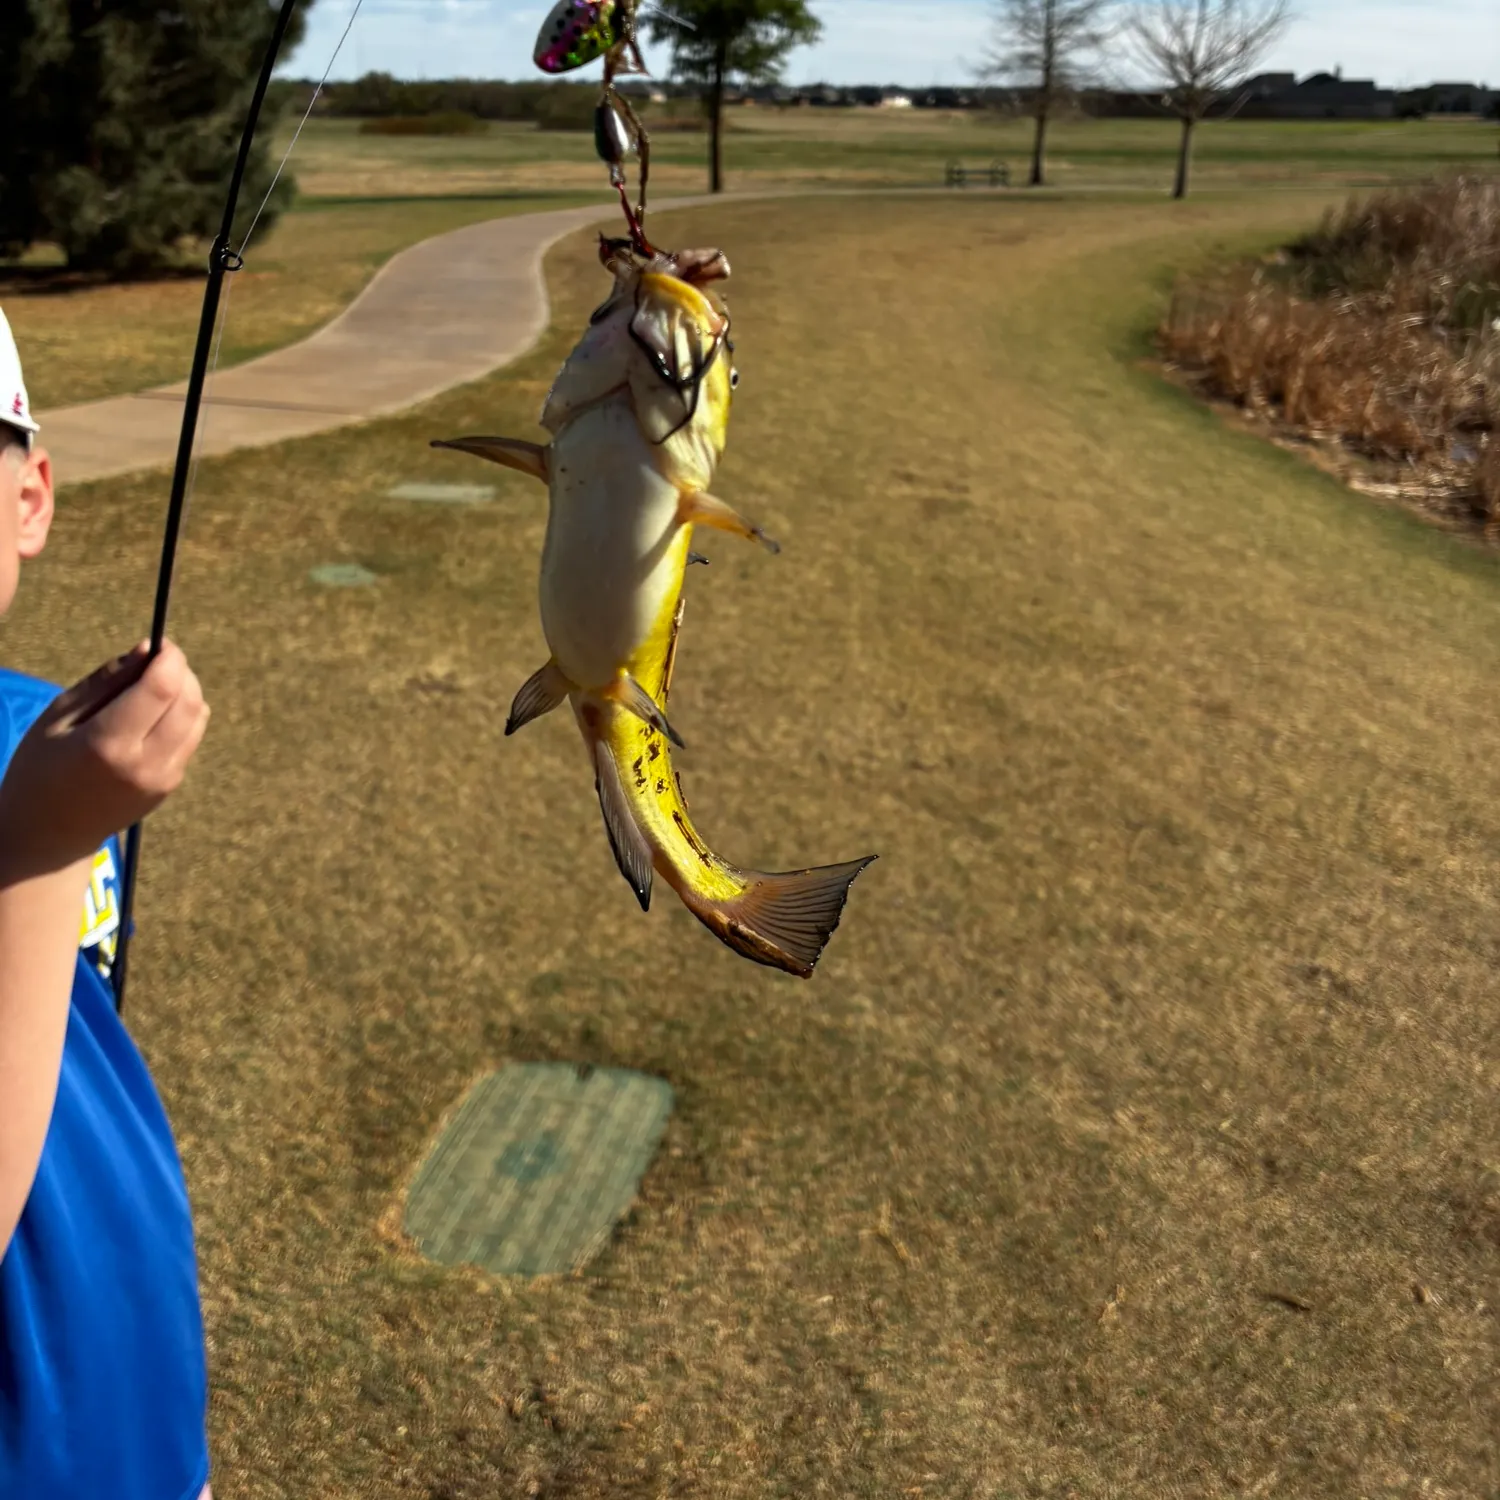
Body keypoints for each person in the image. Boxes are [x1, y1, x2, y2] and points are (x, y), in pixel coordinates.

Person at [0, 305, 215, 1500]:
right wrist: (33, 851)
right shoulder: (49, 802)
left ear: (29, 501)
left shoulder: (42, 729)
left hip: (135, 1417)